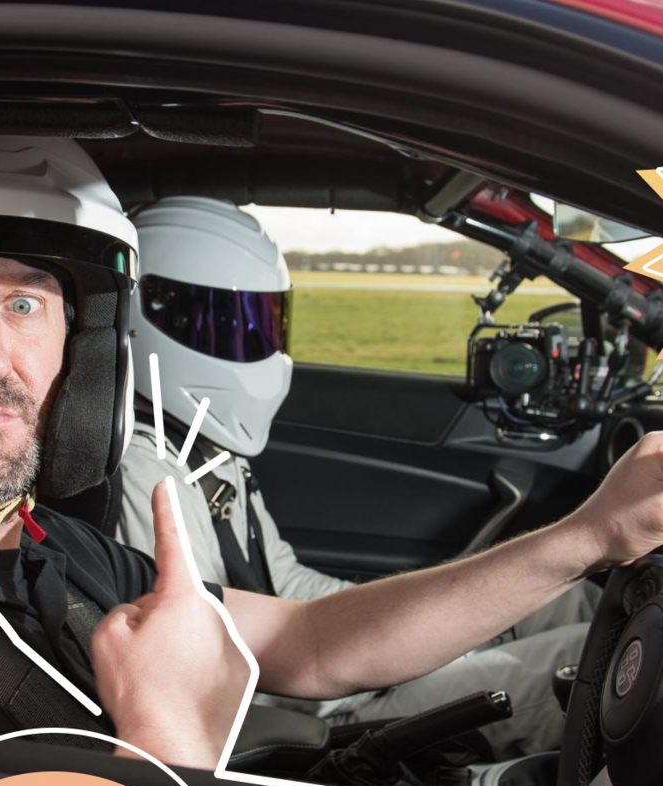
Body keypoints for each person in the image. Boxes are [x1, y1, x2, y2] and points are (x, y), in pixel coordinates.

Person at [0, 134, 663, 772]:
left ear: (82, 347)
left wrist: (589, 536)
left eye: (27, 302)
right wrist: (168, 751)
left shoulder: (55, 550)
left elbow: (309, 643)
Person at [116, 197, 599, 756]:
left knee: (571, 601)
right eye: (225, 324)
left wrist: (406, 623)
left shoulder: (207, 447)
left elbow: (286, 583)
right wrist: (397, 651)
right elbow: (208, 669)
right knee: (583, 662)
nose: (255, 343)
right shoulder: (145, 475)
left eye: (262, 322)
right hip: (320, 712)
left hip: (336, 666)